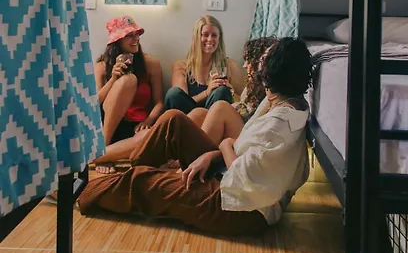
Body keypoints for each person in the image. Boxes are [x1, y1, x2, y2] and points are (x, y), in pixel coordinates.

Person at [78, 37, 312, 236]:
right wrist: (212, 154)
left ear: (272, 71)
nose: (255, 65)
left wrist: (224, 145)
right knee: (173, 119)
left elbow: (243, 177)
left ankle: (82, 194)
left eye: (262, 61)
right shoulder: (280, 103)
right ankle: (131, 178)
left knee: (143, 181)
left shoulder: (278, 124)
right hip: (231, 180)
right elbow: (246, 152)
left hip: (239, 206)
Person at [94, 16, 164, 172]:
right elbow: (95, 104)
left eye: (137, 34)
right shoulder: (102, 66)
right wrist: (113, 79)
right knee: (129, 80)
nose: (136, 39)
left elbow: (159, 102)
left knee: (149, 136)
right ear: (117, 40)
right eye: (130, 35)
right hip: (108, 127)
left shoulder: (151, 64)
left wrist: (148, 120)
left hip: (136, 127)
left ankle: (100, 156)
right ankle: (104, 146)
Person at [188, 36, 279, 137]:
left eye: (249, 61)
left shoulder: (270, 90)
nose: (244, 66)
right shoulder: (252, 85)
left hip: (248, 131)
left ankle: (200, 145)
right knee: (199, 113)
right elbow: (243, 104)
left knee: (220, 108)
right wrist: (232, 92)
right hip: (238, 121)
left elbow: (255, 117)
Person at [164, 15, 245, 114]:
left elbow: (244, 102)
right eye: (205, 35)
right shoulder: (181, 66)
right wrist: (207, 92)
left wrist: (231, 92)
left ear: (219, 38)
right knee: (173, 93)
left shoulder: (230, 65)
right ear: (196, 37)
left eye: (214, 35)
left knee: (222, 91)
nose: (210, 39)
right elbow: (180, 100)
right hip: (187, 118)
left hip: (216, 118)